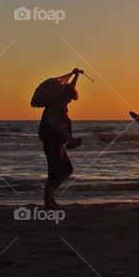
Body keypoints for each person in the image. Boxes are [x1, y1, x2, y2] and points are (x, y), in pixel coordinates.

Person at [39, 69, 82, 209]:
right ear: (65, 96)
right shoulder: (57, 106)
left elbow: (70, 88)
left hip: (58, 144)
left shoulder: (60, 103)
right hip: (53, 143)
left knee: (66, 170)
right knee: (54, 173)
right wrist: (70, 139)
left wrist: (76, 76)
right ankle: (47, 201)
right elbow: (55, 124)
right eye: (70, 98)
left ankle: (50, 198)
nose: (70, 101)